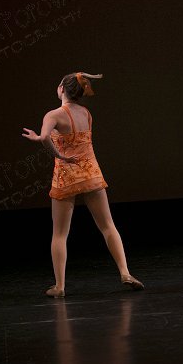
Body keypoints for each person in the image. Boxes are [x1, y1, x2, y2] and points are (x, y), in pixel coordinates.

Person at [22, 72, 144, 297]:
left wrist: (55, 152)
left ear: (61, 89)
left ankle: (59, 287)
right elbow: (74, 138)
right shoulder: (86, 113)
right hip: (90, 173)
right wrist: (39, 137)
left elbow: (47, 137)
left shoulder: (53, 115)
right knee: (108, 225)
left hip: (66, 176)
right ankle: (125, 272)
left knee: (60, 234)